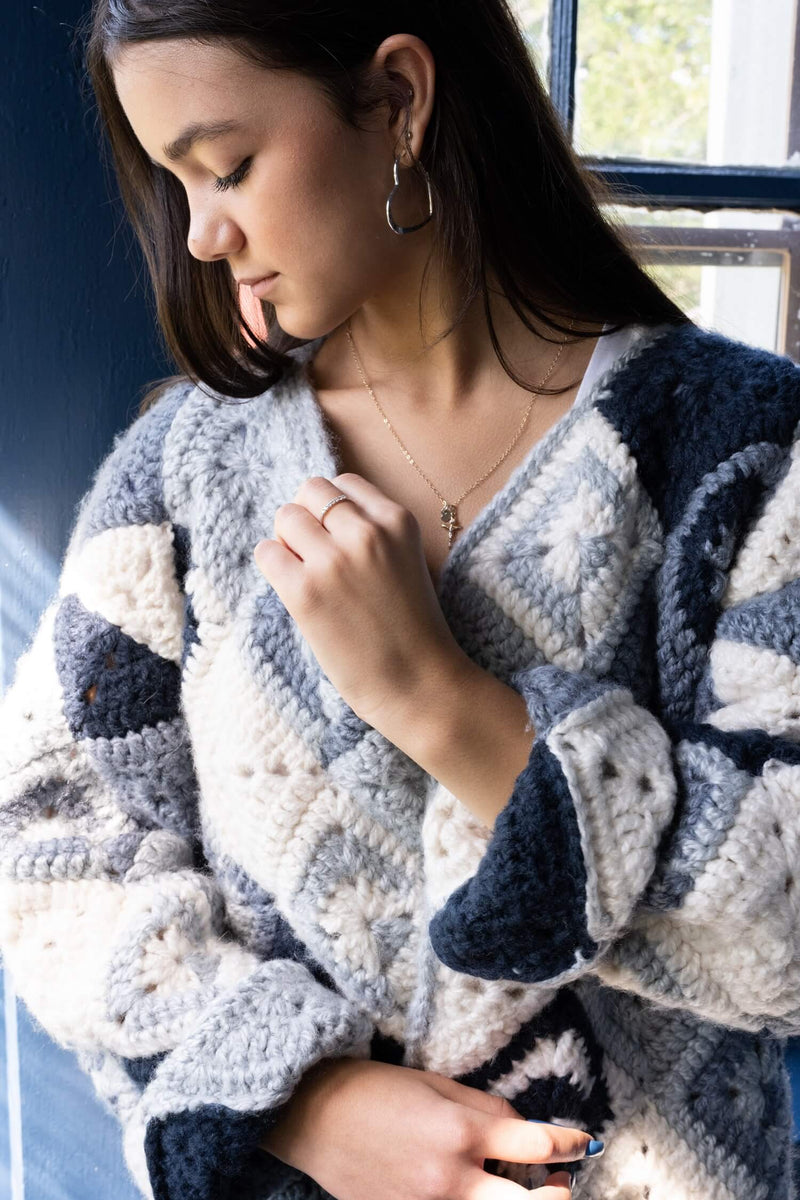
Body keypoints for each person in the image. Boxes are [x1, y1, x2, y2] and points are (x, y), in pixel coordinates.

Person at [1, 1, 799, 1198]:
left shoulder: (742, 453)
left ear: (398, 99)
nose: (203, 234)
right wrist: (304, 1095)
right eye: (177, 184)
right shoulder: (181, 478)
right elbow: (44, 850)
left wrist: (434, 698)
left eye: (227, 166)